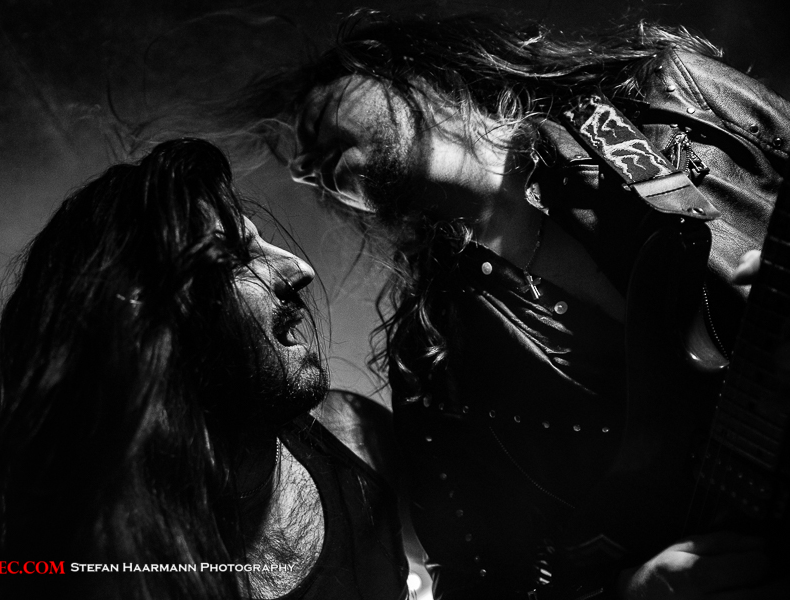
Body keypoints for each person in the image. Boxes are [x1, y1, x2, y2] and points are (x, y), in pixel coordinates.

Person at [240, 9, 790, 600]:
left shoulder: (676, 95)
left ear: (404, 71)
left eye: (317, 110)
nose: (304, 164)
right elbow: (482, 578)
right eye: (301, 168)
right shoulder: (432, 359)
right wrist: (631, 591)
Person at [0, 138, 409, 600]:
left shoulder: (360, 438)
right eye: (235, 256)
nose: (298, 268)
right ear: (145, 320)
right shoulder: (99, 571)